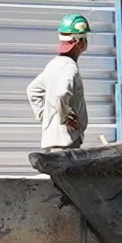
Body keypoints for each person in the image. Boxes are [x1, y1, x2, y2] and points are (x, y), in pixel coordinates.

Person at [27, 14, 93, 150]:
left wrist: (45, 116)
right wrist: (65, 118)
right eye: (85, 38)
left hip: (52, 142)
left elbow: (32, 90)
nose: (86, 42)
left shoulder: (53, 64)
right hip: (67, 142)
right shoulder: (70, 67)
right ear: (78, 42)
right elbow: (63, 93)